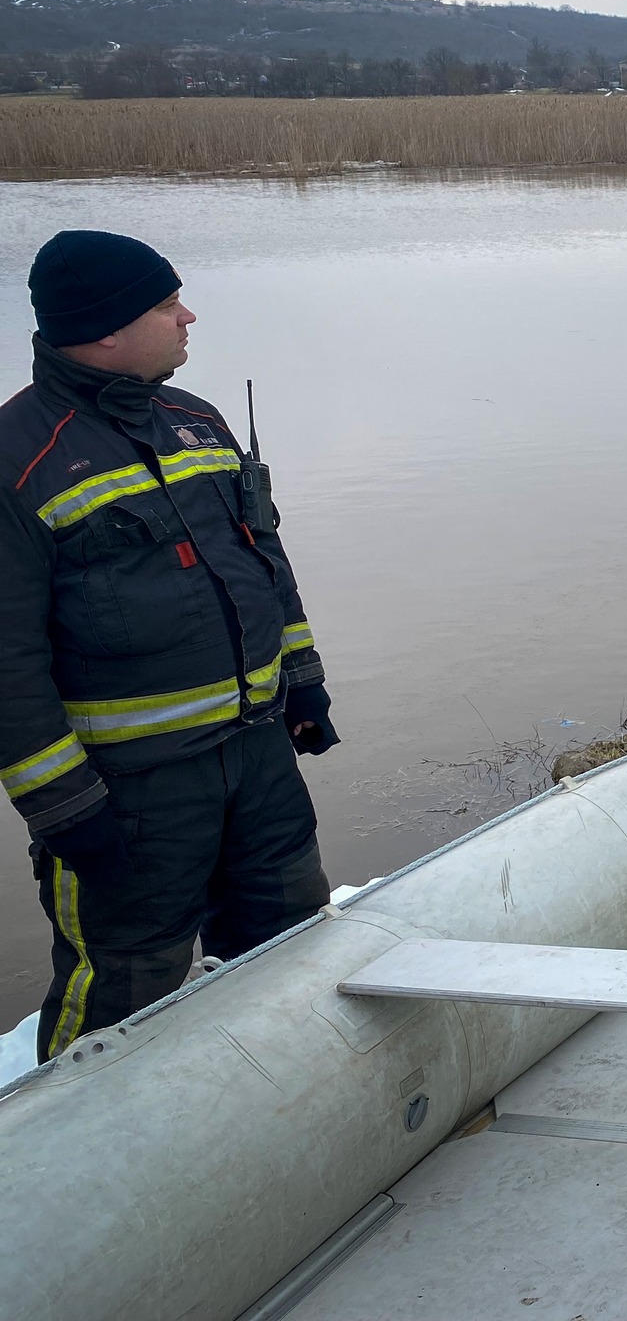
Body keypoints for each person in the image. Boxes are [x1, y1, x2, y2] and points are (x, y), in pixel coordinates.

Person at [0, 231, 337, 1064]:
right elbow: (6, 664)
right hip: (132, 797)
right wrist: (66, 810)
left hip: (259, 760)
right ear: (108, 327)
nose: (188, 317)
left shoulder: (195, 420)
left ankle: (281, 1114)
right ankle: (78, 1168)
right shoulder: (18, 461)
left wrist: (304, 685)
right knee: (121, 991)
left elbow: (265, 563)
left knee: (290, 949)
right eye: (165, 304)